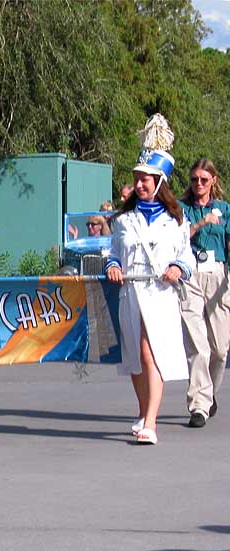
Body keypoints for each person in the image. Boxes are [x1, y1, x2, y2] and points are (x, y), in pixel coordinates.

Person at [104, 114, 195, 445]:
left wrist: (178, 268)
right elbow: (112, 253)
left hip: (158, 295)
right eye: (137, 179)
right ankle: (144, 411)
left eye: (146, 180)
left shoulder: (176, 221)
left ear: (159, 184)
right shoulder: (125, 220)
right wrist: (113, 266)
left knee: (148, 352)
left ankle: (151, 423)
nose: (139, 184)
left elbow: (186, 257)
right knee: (135, 360)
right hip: (130, 294)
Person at [178, 158, 229, 428]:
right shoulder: (181, 208)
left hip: (218, 274)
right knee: (198, 345)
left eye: (204, 180)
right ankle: (199, 405)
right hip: (190, 275)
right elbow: (176, 237)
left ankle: (209, 393)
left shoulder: (224, 209)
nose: (199, 184)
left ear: (213, 181)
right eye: (195, 179)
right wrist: (200, 224)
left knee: (220, 349)